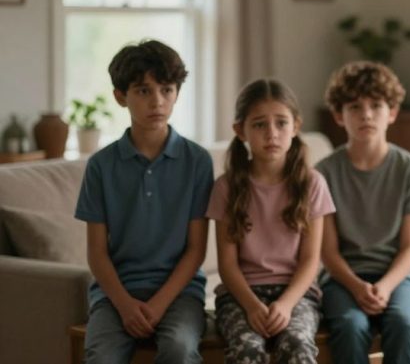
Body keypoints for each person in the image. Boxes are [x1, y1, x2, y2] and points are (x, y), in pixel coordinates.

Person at [74, 39, 213, 364]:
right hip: (115, 294)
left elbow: (196, 250)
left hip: (180, 293)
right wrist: (124, 304)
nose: (157, 101)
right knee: (101, 357)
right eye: (143, 91)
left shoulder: (197, 161)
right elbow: (96, 252)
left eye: (166, 90)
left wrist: (159, 304)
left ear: (177, 93)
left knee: (179, 348)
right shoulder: (100, 166)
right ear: (121, 96)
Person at [206, 79, 335, 363]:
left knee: (298, 345)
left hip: (297, 295)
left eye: (281, 123)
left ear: (295, 126)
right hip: (240, 296)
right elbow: (227, 265)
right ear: (241, 131)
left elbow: (311, 261)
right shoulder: (226, 188)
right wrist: (252, 307)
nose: (272, 134)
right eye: (259, 124)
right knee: (247, 349)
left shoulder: (312, 183)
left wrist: (287, 305)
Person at [317, 61, 410, 364]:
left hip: (396, 276)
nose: (366, 114)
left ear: (392, 113)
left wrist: (383, 287)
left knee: (404, 325)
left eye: (376, 105)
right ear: (338, 116)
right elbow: (327, 252)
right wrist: (357, 287)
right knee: (349, 325)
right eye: (355, 107)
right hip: (342, 277)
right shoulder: (323, 174)